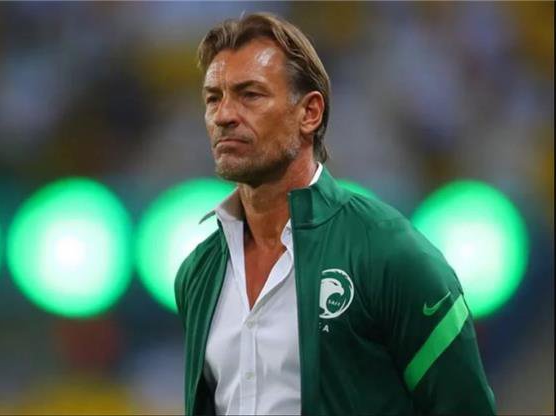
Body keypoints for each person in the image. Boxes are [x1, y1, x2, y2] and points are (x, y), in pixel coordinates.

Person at [174, 12, 496, 416]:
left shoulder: (390, 252)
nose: (224, 115)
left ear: (309, 113)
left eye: (250, 95)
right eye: (213, 99)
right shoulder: (198, 272)